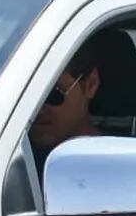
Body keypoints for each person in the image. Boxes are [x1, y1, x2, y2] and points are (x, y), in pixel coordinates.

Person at [30, 38, 102, 176]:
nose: (37, 108)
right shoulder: (0, 162)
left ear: (90, 84)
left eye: (51, 93)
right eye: (25, 96)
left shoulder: (111, 167)